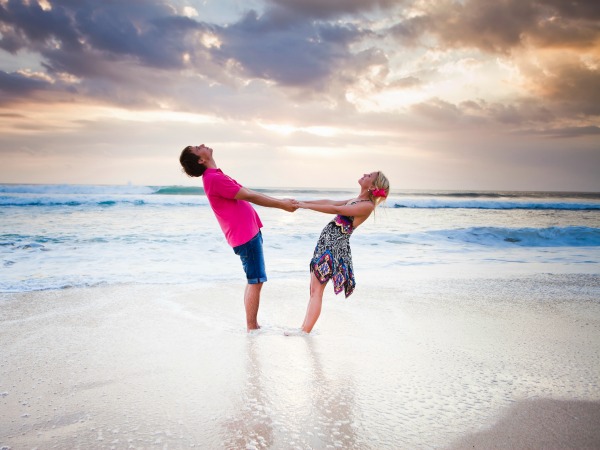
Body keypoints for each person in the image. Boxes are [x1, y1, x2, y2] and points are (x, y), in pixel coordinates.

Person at [179, 144, 297, 331]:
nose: (201, 145)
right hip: (245, 235)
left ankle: (252, 325)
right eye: (196, 148)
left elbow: (248, 192)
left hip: (248, 232)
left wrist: (280, 202)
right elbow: (250, 196)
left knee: (255, 279)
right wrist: (281, 204)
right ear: (201, 160)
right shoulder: (214, 179)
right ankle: (252, 328)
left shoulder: (216, 175)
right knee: (256, 280)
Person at [296, 171, 390, 333]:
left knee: (317, 291)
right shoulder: (356, 200)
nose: (365, 174)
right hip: (325, 245)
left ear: (373, 186)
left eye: (369, 176)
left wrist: (304, 206)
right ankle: (303, 328)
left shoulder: (367, 206)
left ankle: (305, 331)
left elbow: (333, 208)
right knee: (313, 290)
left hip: (334, 248)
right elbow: (330, 201)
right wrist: (301, 202)